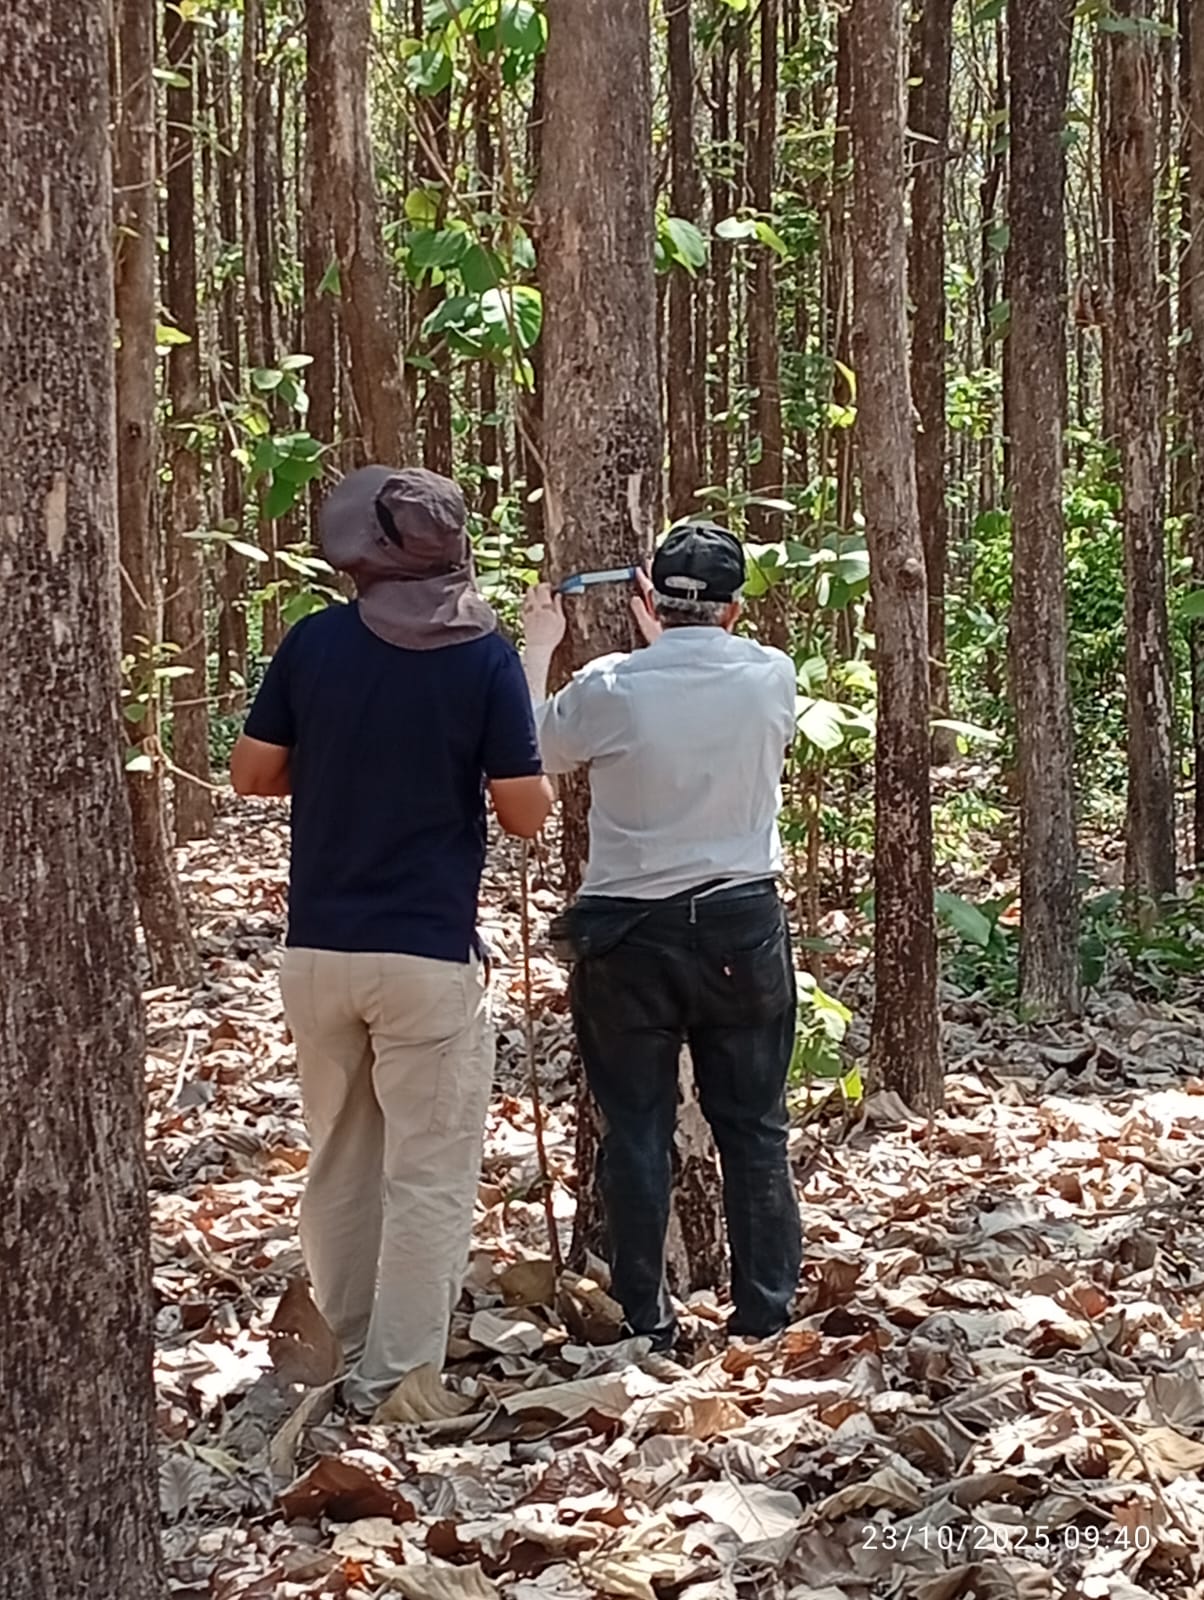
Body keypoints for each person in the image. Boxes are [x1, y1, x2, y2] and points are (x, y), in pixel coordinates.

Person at [231, 465, 553, 1414]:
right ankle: (399, 1380)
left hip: (318, 950)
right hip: (424, 954)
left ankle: (341, 1349)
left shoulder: (314, 643)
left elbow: (253, 773)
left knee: (339, 1155)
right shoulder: (483, 656)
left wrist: (344, 762)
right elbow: (527, 813)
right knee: (428, 1173)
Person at [520, 522, 802, 1351]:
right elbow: (704, 684)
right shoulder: (771, 677)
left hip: (628, 938)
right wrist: (670, 640)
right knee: (753, 1128)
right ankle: (764, 1317)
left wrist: (538, 648)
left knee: (636, 1129)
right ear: (734, 608)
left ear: (649, 599)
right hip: (741, 928)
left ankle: (644, 1319)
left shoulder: (609, 689)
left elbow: (530, 747)